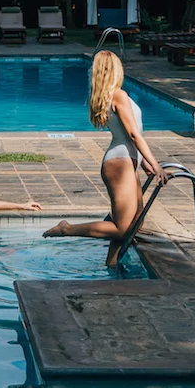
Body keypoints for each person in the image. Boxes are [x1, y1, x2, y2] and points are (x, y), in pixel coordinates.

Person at [43, 50, 166, 266]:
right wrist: (156, 165)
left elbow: (130, 134)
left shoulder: (108, 95)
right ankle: (66, 229)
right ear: (116, 69)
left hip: (126, 161)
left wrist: (144, 162)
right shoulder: (118, 95)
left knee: (135, 221)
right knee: (123, 228)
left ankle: (112, 263)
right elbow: (133, 134)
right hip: (120, 165)